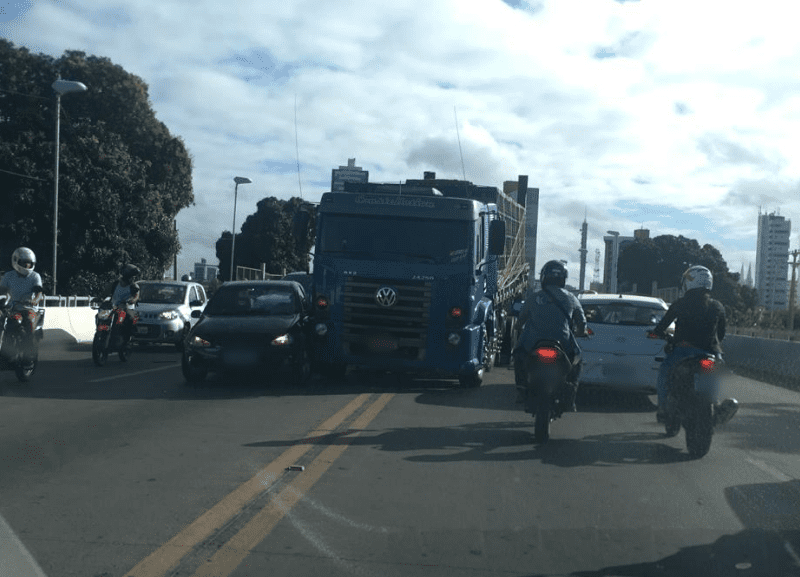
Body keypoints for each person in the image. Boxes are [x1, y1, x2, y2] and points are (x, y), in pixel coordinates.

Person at [651, 265, 738, 426]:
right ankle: (717, 404)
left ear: (689, 282)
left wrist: (663, 335)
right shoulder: (717, 306)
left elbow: (661, 327)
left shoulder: (680, 303)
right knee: (715, 372)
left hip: (683, 352)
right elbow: (721, 334)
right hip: (710, 353)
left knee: (664, 371)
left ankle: (663, 407)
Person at [513, 260, 587, 412]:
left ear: (544, 278)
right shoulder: (571, 298)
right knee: (577, 361)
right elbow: (582, 322)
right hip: (563, 343)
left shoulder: (534, 297)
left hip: (532, 343)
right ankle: (571, 396)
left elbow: (520, 321)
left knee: (518, 354)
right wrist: (581, 332)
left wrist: (518, 327)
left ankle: (521, 388)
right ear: (563, 279)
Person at [0, 247, 45, 361]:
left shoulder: (35, 276)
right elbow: (2, 290)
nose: (27, 266)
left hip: (30, 308)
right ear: (16, 261)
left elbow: (39, 293)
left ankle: (29, 351)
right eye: (24, 263)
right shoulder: (8, 276)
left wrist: (34, 301)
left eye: (29, 264)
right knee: (8, 322)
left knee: (30, 320)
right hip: (13, 308)